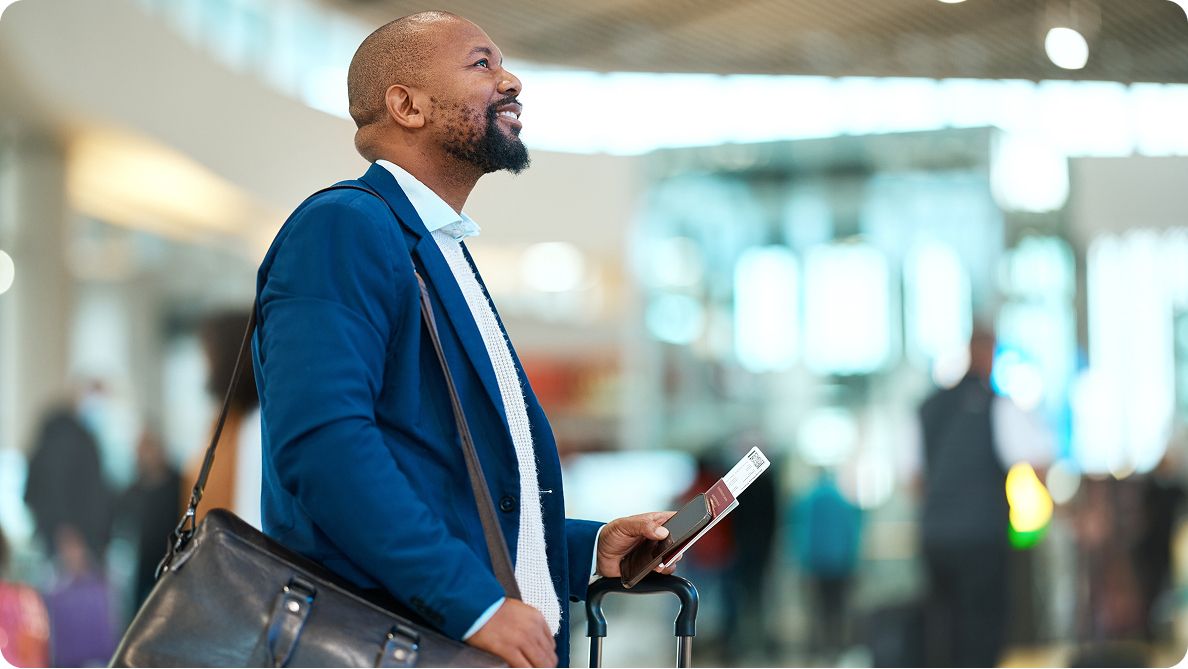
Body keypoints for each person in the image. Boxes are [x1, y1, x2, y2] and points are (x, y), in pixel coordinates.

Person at [252, 12, 675, 667]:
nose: (511, 80)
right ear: (407, 104)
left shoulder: (439, 250)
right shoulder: (344, 227)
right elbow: (324, 445)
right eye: (482, 64)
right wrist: (471, 603)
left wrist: (587, 551)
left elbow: (459, 500)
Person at [917, 325, 1051, 667]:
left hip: (935, 537)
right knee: (982, 629)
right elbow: (1036, 459)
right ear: (988, 352)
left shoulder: (929, 408)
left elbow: (913, 478)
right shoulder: (997, 406)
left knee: (944, 630)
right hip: (981, 536)